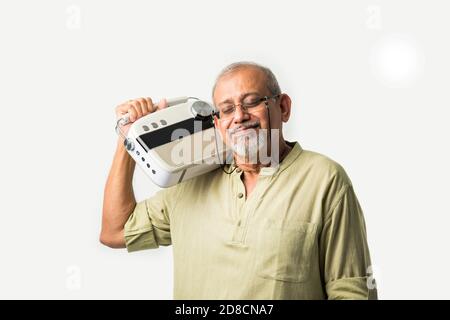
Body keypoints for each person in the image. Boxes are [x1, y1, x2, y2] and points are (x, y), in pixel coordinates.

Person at [100, 61, 377, 299]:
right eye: (227, 109)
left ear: (284, 107)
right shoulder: (191, 180)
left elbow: (351, 289)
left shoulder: (324, 179)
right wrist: (128, 137)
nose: (239, 117)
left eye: (252, 102)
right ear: (217, 122)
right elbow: (114, 232)